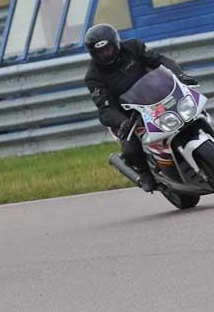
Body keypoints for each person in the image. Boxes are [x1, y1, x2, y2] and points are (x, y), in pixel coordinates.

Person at [83, 23, 198, 192]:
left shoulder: (134, 47)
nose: (105, 54)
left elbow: (160, 61)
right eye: (100, 52)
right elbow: (105, 108)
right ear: (93, 53)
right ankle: (145, 172)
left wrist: (179, 75)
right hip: (128, 115)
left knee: (192, 112)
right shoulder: (93, 75)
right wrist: (121, 122)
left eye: (108, 49)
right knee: (131, 149)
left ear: (116, 44)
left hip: (157, 96)